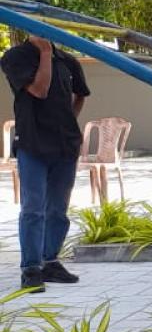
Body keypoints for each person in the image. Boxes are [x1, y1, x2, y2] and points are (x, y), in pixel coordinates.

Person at [2, 34, 88, 291]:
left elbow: (81, 94)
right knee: (33, 208)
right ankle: (30, 268)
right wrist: (45, 53)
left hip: (65, 145)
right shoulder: (15, 57)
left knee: (58, 210)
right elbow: (40, 90)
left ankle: (50, 261)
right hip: (33, 143)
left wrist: (68, 120)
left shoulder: (68, 60)